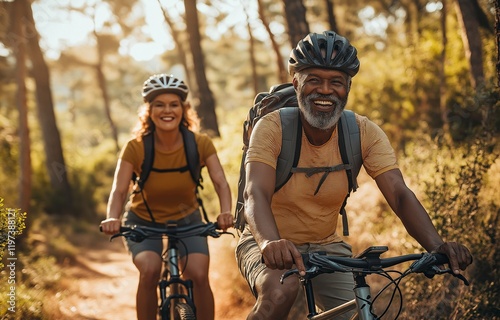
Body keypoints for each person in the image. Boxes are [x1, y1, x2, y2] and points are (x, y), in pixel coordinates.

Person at [235, 31, 473, 320]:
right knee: (279, 293)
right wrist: (269, 242)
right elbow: (254, 192)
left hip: (326, 246)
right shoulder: (272, 128)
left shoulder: (362, 132)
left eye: (335, 82)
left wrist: (437, 246)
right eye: (314, 80)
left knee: (361, 310)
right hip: (266, 241)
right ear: (296, 83)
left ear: (347, 88)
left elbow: (398, 194)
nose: (325, 90)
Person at [100, 73, 233, 320]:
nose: (167, 111)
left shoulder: (200, 143)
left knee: (199, 274)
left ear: (183, 110)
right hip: (142, 221)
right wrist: (112, 218)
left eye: (174, 105)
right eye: (159, 105)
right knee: (150, 270)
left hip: (188, 220)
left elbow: (220, 182)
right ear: (149, 111)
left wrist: (225, 212)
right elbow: (119, 190)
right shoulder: (136, 146)